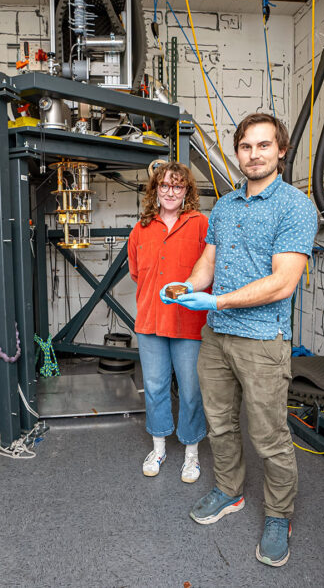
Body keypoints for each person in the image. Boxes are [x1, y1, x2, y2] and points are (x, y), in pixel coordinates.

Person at [161, 113, 317, 567]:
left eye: (264, 146)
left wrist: (218, 302)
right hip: (217, 339)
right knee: (221, 423)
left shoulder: (295, 207)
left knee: (269, 435)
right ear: (238, 152)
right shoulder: (225, 207)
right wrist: (188, 287)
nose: (254, 154)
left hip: (263, 340)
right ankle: (230, 491)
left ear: (281, 151)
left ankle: (278, 514)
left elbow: (283, 282)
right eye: (246, 146)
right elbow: (206, 264)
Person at [128, 161, 209, 483]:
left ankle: (191, 454)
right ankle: (158, 447)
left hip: (189, 323)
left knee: (191, 391)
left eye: (177, 186)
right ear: (155, 190)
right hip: (150, 321)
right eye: (164, 185)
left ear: (187, 190)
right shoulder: (141, 228)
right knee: (156, 388)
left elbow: (210, 269)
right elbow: (137, 273)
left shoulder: (201, 224)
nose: (170, 192)